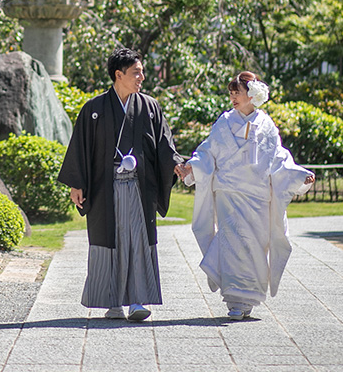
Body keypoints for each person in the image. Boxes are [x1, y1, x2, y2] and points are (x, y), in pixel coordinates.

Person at [57, 48, 184, 322]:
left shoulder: (149, 107)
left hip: (139, 187)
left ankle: (138, 301)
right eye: (136, 72)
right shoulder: (94, 109)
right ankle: (112, 302)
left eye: (141, 71)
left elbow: (164, 143)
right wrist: (77, 183)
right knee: (109, 241)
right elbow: (81, 148)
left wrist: (175, 162)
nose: (142, 77)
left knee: (137, 240)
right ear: (119, 74)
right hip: (107, 187)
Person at [176, 71, 315, 320]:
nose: (233, 97)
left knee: (253, 247)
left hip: (257, 198)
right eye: (231, 92)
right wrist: (191, 168)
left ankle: (248, 296)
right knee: (231, 245)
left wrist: (297, 176)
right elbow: (207, 152)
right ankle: (234, 299)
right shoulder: (223, 123)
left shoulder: (267, 126)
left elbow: (279, 158)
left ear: (252, 95)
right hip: (229, 195)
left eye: (237, 92)